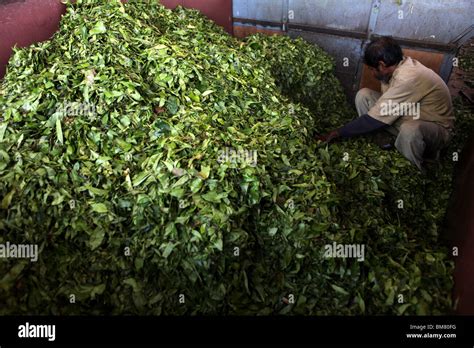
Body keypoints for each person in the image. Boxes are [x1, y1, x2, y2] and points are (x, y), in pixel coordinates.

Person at [318, 36, 455, 172]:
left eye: (372, 69)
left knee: (409, 130)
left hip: (434, 129)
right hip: (411, 114)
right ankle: (381, 142)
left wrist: (337, 133)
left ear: (382, 65)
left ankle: (411, 170)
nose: (372, 73)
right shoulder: (393, 69)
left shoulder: (408, 77)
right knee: (364, 95)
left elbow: (373, 119)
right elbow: (383, 108)